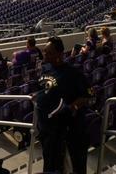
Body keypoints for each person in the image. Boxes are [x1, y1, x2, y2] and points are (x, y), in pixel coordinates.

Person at [37, 36, 92, 174]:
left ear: (60, 54)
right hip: (47, 130)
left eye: (49, 52)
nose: (45, 55)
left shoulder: (73, 73)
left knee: (71, 167)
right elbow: (45, 90)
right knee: (50, 165)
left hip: (66, 132)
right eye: (44, 51)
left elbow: (87, 96)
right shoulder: (45, 69)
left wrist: (72, 107)